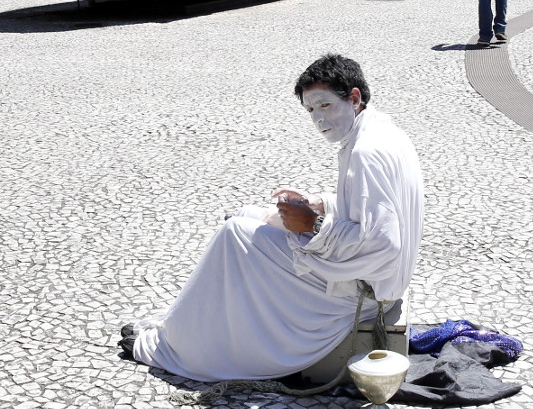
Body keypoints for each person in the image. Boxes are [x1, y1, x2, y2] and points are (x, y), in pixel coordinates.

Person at [121, 54, 423, 382]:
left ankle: (177, 345)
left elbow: (383, 242)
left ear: (354, 97)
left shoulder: (367, 151)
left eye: (325, 105)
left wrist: (313, 225)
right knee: (247, 215)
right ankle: (193, 326)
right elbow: (372, 208)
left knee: (235, 234)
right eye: (310, 111)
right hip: (374, 276)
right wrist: (318, 203)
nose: (319, 120)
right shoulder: (380, 131)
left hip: (363, 289)